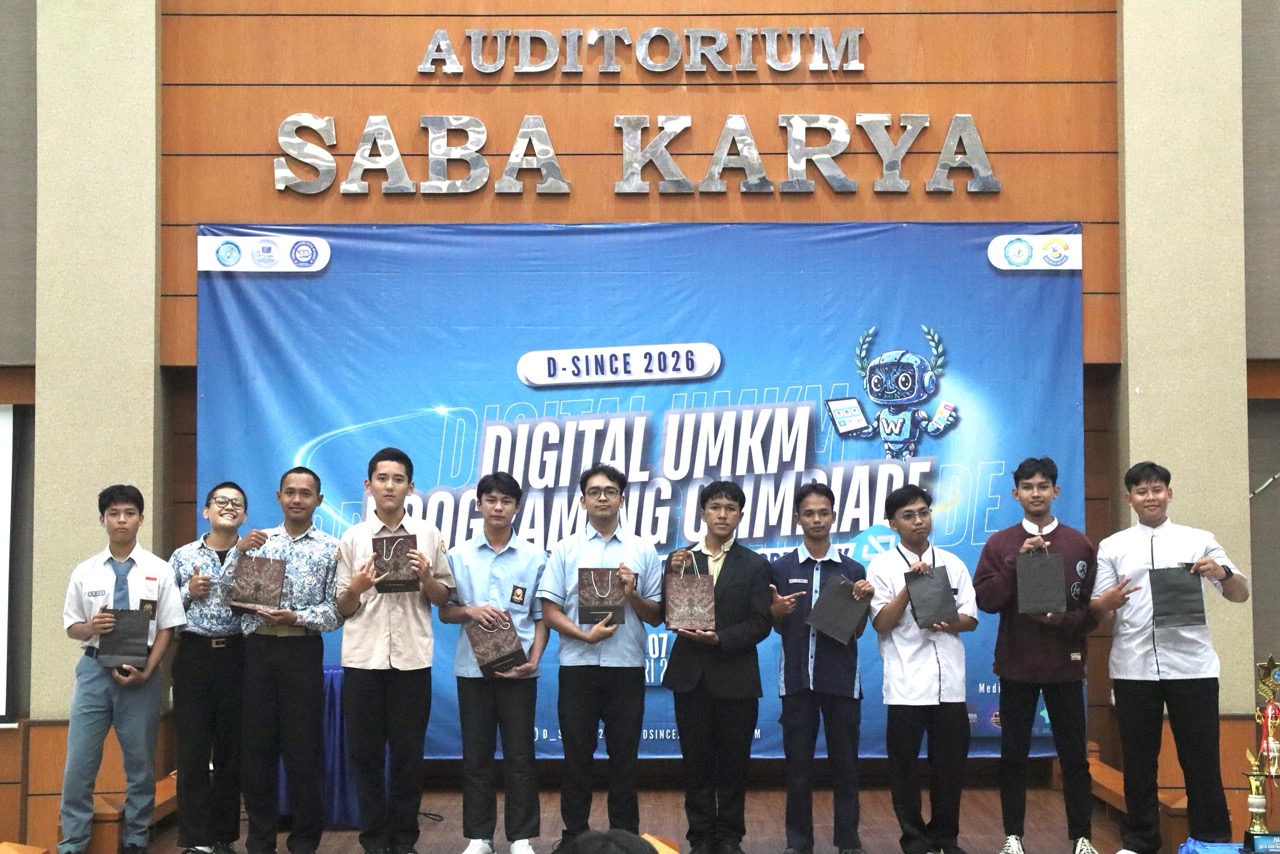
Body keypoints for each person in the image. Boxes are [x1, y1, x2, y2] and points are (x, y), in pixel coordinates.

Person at [1090, 461, 1250, 854]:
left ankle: (1212, 841)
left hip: (1193, 666)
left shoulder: (1199, 540)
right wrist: (1107, 602)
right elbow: (1097, 612)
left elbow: (1240, 594)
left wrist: (1222, 572)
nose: (1151, 497)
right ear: (1129, 499)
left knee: (1201, 759)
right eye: (1141, 491)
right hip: (1134, 666)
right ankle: (1140, 841)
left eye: (1157, 489)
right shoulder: (1113, 546)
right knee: (1139, 761)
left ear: (1169, 493)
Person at [972, 458, 1098, 854]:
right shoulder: (1000, 544)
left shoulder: (1079, 544)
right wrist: (1016, 564)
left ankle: (1081, 838)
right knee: (1013, 755)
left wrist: (1063, 620)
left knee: (1074, 757)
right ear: (1016, 494)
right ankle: (1013, 837)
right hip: (1017, 666)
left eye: (1043, 486)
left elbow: (1091, 610)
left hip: (1065, 666)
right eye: (1028, 487)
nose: (1036, 493)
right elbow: (986, 600)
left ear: (1056, 491)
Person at [536, 462, 663, 845]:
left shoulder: (642, 549)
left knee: (625, 760)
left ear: (622, 499)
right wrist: (584, 636)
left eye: (610, 491)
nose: (602, 498)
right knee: (577, 758)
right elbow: (549, 611)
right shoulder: (565, 549)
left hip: (626, 667)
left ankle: (626, 841)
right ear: (582, 501)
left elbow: (656, 615)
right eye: (594, 492)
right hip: (579, 667)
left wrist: (632, 593)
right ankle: (574, 838)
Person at [336, 448, 455, 854]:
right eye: (382, 478)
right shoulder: (353, 538)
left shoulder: (428, 534)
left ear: (411, 487)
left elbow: (442, 598)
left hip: (411, 661)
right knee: (365, 756)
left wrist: (427, 578)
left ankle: (404, 840)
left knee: (408, 756)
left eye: (398, 479)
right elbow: (342, 607)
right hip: (363, 660)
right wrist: (356, 588)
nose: (390, 486)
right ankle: (373, 840)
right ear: (368, 485)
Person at [59, 485, 186, 854]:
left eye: (129, 513)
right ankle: (73, 842)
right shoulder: (85, 571)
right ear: (102, 520)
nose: (121, 520)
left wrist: (148, 670)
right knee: (79, 764)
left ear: (140, 519)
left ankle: (135, 839)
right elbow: (72, 627)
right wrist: (91, 627)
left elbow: (168, 628)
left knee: (140, 764)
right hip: (94, 671)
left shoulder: (159, 570)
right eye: (113, 514)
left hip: (141, 673)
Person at [222, 466, 342, 854]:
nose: (297, 499)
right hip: (257, 653)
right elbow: (225, 596)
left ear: (318, 500)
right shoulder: (258, 542)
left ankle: (304, 842)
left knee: (304, 753)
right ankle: (259, 842)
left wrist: (298, 617)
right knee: (256, 753)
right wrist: (237, 553)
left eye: (305, 493)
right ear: (278, 497)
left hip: (301, 652)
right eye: (290, 492)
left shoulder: (331, 548)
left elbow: (336, 612)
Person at [440, 472, 549, 854]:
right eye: (491, 500)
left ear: (517, 507)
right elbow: (445, 612)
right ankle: (479, 836)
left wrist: (534, 661)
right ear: (479, 504)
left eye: (506, 501)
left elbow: (541, 616)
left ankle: (521, 837)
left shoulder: (536, 557)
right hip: (472, 670)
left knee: (520, 756)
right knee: (476, 756)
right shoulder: (458, 555)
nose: (498, 507)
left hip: (519, 671)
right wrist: (470, 610)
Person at [866, 484, 977, 854]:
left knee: (950, 768)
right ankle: (914, 839)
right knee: (905, 768)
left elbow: (970, 618)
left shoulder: (953, 562)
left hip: (950, 684)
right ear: (892, 523)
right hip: (906, 683)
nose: (918, 521)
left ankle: (945, 837)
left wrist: (949, 622)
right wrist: (909, 586)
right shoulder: (881, 566)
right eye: (908, 515)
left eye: (924, 513)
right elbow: (881, 623)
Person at [664, 480, 773, 854]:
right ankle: (700, 836)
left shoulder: (756, 565)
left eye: (730, 508)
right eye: (715, 507)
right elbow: (668, 612)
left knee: (733, 763)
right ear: (702, 513)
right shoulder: (681, 559)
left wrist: (721, 638)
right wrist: (672, 577)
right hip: (690, 677)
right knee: (695, 763)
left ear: (740, 515)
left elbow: (761, 623)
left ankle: (729, 836)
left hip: (736, 677)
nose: (722, 514)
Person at [769, 482, 874, 854]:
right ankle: (798, 844)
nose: (817, 519)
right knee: (798, 770)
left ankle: (849, 842)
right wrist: (775, 612)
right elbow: (774, 626)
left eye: (823, 512)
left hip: (841, 682)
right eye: (809, 513)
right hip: (797, 683)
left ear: (834, 517)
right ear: (797, 518)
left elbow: (858, 632)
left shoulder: (852, 568)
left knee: (846, 768)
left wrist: (862, 603)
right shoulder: (780, 568)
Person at [170, 481, 251, 854]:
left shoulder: (254, 555)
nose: (229, 506)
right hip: (194, 656)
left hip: (237, 654)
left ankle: (223, 836)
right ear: (206, 511)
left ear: (245, 516)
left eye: (237, 503)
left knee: (231, 752)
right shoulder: (183, 556)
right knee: (192, 752)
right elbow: (163, 612)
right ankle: (195, 839)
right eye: (221, 501)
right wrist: (189, 592)